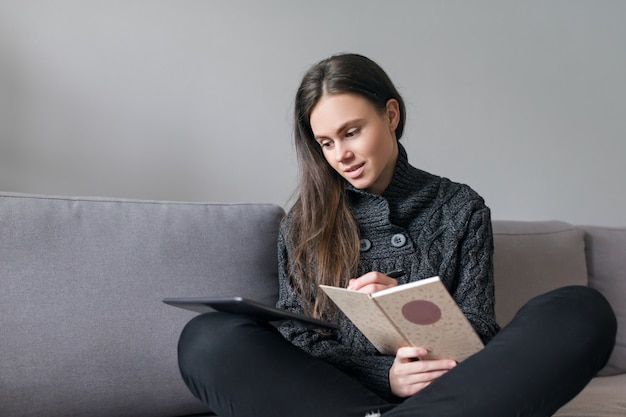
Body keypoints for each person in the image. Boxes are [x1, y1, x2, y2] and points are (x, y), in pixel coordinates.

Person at [177, 53, 616, 417]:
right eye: (326, 143)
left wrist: (410, 308)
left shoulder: (459, 207)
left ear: (390, 114)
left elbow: (479, 331)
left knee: (580, 309)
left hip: (453, 393)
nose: (341, 155)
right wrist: (382, 374)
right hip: (335, 395)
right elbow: (300, 337)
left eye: (351, 132)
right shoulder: (304, 223)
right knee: (208, 337)